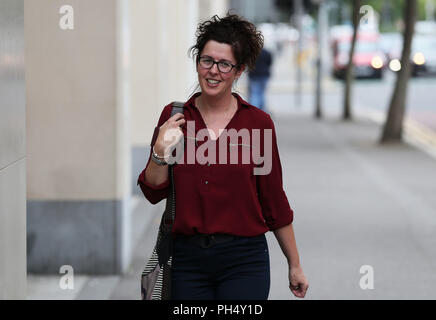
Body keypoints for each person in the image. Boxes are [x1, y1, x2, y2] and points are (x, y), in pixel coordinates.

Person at [137, 13, 308, 300]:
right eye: (207, 60)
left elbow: (273, 200)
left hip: (244, 261)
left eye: (224, 64)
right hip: (187, 261)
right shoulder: (175, 117)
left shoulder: (257, 124)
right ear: (197, 62)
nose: (213, 70)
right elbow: (153, 191)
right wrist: (159, 151)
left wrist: (295, 265)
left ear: (239, 70)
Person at [248, 47, 273, 112]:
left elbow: (248, 64)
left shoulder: (252, 54)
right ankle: (261, 111)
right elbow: (270, 63)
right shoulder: (267, 52)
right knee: (262, 94)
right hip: (264, 75)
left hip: (254, 75)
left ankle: (254, 111)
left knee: (255, 94)